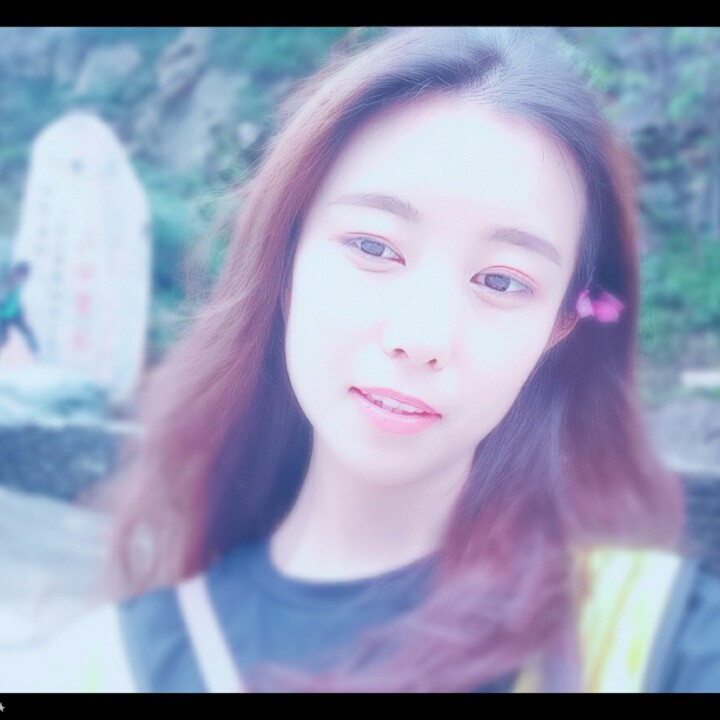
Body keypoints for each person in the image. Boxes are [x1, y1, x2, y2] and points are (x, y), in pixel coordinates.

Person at [2, 26, 719, 693]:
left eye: (502, 282)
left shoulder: (655, 638)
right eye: (374, 246)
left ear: (558, 327)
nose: (422, 335)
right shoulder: (108, 667)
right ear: (286, 260)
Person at [0, 261, 39, 355]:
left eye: (24, 277)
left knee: (27, 332)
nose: (23, 278)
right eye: (22, 275)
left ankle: (36, 351)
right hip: (3, 316)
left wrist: (21, 311)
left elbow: (16, 298)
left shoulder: (19, 283)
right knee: (3, 339)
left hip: (15, 314)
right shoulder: (6, 284)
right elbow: (3, 299)